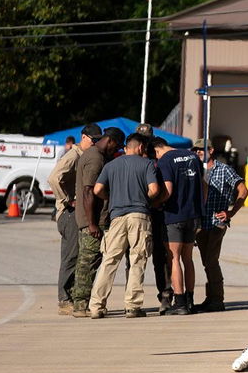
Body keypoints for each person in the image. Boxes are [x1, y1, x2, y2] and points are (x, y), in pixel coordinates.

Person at [87, 133, 165, 318]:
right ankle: (132, 306)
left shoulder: (111, 165)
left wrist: (112, 198)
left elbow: (97, 189)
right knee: (138, 259)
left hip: (116, 217)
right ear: (139, 148)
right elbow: (154, 189)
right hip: (139, 216)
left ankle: (96, 306)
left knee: (109, 261)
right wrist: (144, 198)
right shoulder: (146, 164)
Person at [48, 123, 102, 315]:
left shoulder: (86, 156)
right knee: (70, 256)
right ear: (83, 137)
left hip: (76, 211)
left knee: (78, 255)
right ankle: (64, 299)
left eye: (97, 139)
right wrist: (66, 200)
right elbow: (54, 178)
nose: (95, 142)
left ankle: (70, 295)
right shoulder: (74, 155)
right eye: (92, 139)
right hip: (69, 213)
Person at [70, 126, 125, 317]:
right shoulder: (95, 158)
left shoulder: (97, 155)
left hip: (94, 218)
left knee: (90, 261)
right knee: (88, 262)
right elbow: (88, 191)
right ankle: (80, 305)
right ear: (109, 140)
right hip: (92, 220)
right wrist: (92, 223)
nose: (116, 150)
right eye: (116, 146)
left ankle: (82, 303)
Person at [195, 140, 248, 313]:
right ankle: (210, 298)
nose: (198, 153)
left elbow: (243, 190)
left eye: (201, 150)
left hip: (217, 222)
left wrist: (231, 212)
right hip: (200, 223)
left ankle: (217, 299)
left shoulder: (224, 169)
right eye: (195, 150)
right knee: (206, 262)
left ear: (210, 150)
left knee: (211, 261)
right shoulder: (196, 169)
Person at [158, 135, 203, 314]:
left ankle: (180, 302)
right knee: (188, 258)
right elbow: (203, 185)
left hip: (174, 215)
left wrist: (157, 203)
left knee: (174, 258)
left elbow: (167, 190)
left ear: (157, 149)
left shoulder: (165, 160)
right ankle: (191, 299)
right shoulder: (192, 156)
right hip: (193, 214)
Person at [146, 138, 175, 313]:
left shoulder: (166, 163)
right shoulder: (147, 163)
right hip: (153, 215)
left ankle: (170, 295)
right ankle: (165, 294)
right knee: (159, 259)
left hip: (166, 215)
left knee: (169, 257)